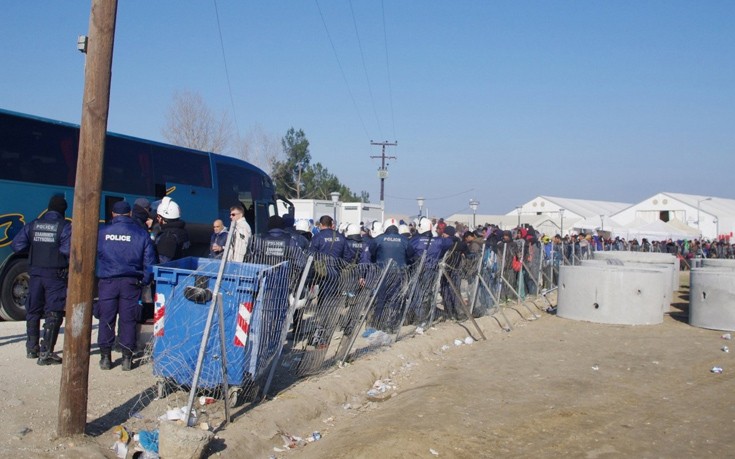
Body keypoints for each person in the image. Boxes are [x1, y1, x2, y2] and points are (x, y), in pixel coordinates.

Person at [96, 200, 157, 371]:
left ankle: (105, 358)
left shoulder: (102, 232)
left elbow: (94, 255)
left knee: (106, 318)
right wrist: (144, 281)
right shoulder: (141, 233)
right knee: (128, 319)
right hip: (131, 282)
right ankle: (126, 359)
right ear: (130, 214)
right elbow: (149, 261)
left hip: (107, 281)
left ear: (113, 214)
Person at [11, 195, 71, 365]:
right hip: (55, 275)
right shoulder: (65, 227)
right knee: (54, 312)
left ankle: (31, 348)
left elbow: (17, 245)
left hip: (35, 274)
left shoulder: (33, 225)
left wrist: (36, 246)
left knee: (33, 310)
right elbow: (67, 250)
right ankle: (46, 352)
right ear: (63, 210)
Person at [154, 196, 189, 263]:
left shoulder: (168, 236)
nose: (157, 219)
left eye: (158, 217)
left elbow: (163, 264)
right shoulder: (182, 231)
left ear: (163, 218)